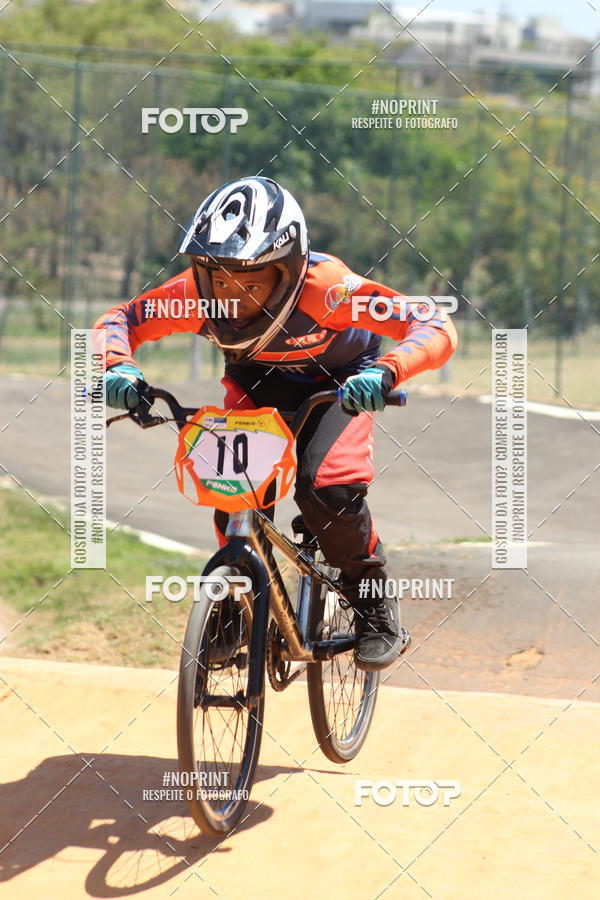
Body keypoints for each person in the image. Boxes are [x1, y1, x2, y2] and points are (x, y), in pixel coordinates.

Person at [94, 176, 457, 671]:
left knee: (324, 489)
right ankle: (235, 597)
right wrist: (119, 365)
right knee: (231, 486)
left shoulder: (329, 290)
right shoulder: (195, 296)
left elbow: (435, 323)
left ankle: (373, 604)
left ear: (289, 271)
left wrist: (387, 371)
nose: (229, 292)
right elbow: (121, 320)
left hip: (341, 384)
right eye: (216, 276)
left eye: (249, 278)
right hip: (255, 384)